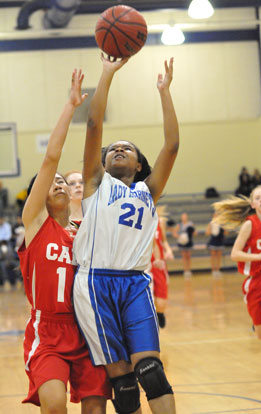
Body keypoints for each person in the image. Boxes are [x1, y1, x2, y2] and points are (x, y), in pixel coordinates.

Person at [73, 54, 179, 414]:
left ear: (138, 164)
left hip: (134, 283)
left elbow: (173, 146)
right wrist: (107, 73)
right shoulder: (94, 185)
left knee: (151, 372)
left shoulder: (149, 191)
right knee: (124, 384)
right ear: (102, 163)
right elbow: (93, 124)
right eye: (113, 148)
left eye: (127, 148)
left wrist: (164, 92)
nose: (118, 148)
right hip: (95, 284)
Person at [17, 69, 111, 412]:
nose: (57, 184)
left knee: (96, 408)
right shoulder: (37, 224)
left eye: (62, 182)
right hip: (49, 332)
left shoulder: (85, 231)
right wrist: (71, 106)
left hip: (86, 328)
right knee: (54, 405)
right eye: (51, 183)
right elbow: (50, 159)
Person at [213, 184, 261, 340]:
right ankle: (256, 324)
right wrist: (258, 256)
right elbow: (235, 254)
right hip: (257, 283)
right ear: (253, 204)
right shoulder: (250, 225)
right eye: (258, 198)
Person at [149, 205, 174, 328]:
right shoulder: (141, 219)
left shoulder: (160, 221)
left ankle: (160, 313)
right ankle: (152, 318)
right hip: (145, 264)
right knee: (149, 295)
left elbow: (164, 241)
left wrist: (168, 250)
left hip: (158, 263)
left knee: (161, 297)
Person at [173, 212, 196, 278]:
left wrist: (190, 235)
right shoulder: (179, 225)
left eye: (185, 217)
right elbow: (174, 233)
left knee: (188, 256)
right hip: (182, 243)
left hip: (189, 242)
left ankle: (189, 270)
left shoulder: (190, 224)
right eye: (183, 217)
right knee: (184, 257)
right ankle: (185, 270)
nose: (184, 218)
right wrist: (180, 237)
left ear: (187, 217)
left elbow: (194, 232)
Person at [205, 213, 225, 277]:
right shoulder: (211, 223)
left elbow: (225, 233)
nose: (216, 216)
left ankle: (218, 270)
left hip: (220, 241)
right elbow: (207, 233)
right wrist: (211, 229)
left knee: (219, 257)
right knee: (213, 256)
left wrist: (224, 226)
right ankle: (213, 270)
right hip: (213, 241)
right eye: (215, 215)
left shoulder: (221, 223)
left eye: (217, 215)